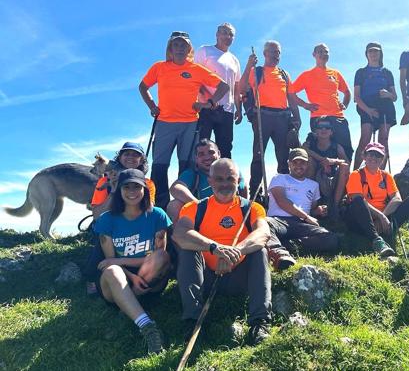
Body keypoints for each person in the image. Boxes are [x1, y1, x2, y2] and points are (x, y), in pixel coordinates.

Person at [172, 158, 273, 345]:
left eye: (230, 178)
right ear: (210, 181)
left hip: (240, 276)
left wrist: (234, 252)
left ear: (238, 180)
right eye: (219, 179)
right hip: (207, 279)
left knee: (260, 252)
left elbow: (263, 233)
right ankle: (192, 321)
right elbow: (180, 233)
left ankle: (260, 323)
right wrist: (214, 248)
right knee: (187, 251)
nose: (225, 184)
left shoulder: (252, 207)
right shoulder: (194, 207)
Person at [138, 31, 229, 209]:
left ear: (189, 49)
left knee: (186, 166)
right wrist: (152, 106)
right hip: (164, 122)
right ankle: (158, 208)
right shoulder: (160, 67)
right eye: (176, 45)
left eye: (183, 45)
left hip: (190, 124)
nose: (179, 48)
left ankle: (185, 205)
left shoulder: (196, 69)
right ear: (170, 48)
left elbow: (223, 86)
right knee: (159, 166)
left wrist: (209, 103)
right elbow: (143, 86)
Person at [94, 169, 172, 354]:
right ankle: (148, 327)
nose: (131, 191)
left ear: (144, 189)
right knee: (113, 271)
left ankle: (127, 309)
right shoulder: (107, 219)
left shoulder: (157, 215)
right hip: (118, 282)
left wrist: (122, 260)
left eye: (136, 186)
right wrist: (130, 275)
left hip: (149, 278)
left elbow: (158, 256)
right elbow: (109, 262)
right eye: (126, 187)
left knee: (162, 257)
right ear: (119, 190)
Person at [84, 142, 157, 295]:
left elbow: (149, 210)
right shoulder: (104, 182)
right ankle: (92, 278)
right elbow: (97, 216)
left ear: (142, 160)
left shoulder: (148, 183)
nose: (131, 157)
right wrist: (114, 188)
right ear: (119, 158)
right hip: (112, 227)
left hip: (138, 226)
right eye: (126, 154)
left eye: (136, 154)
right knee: (103, 237)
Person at [239, 41, 301, 196]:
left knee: (283, 156)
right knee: (258, 154)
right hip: (262, 116)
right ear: (265, 54)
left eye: (278, 52)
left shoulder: (284, 74)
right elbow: (242, 87)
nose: (275, 55)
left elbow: (291, 98)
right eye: (272, 51)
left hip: (282, 118)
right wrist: (249, 65)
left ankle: (284, 193)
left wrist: (297, 118)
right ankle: (255, 193)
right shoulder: (256, 71)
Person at [345, 142, 409, 258]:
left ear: (382, 159)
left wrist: (384, 217)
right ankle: (377, 241)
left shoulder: (386, 176)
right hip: (363, 220)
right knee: (358, 202)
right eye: (371, 154)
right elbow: (356, 198)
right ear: (364, 156)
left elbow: (397, 199)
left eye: (378, 156)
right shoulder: (356, 175)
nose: (374, 158)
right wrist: (380, 217)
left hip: (385, 221)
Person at [265, 148, 339, 270]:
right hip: (278, 220)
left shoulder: (313, 185)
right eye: (295, 162)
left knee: (331, 238)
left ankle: (289, 246)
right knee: (264, 223)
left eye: (302, 162)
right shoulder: (279, 178)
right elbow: (282, 201)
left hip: (301, 223)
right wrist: (306, 216)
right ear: (289, 163)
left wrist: (318, 211)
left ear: (307, 164)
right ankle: (279, 254)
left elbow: (311, 210)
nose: (299, 166)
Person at [291, 43, 353, 161]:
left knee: (345, 151)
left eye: (326, 52)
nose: (324, 54)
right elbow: (290, 93)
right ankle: (319, 178)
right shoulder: (307, 75)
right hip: (318, 117)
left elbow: (347, 92)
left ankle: (345, 177)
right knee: (318, 153)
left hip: (338, 117)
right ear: (314, 55)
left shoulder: (335, 73)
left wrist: (344, 104)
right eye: (320, 52)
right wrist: (305, 105)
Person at [166, 139, 248, 223]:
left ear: (219, 154)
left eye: (211, 152)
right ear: (196, 158)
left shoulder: (231, 169)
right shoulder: (192, 174)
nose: (207, 157)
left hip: (229, 214)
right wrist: (199, 205)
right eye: (201, 154)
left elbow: (242, 186)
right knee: (174, 205)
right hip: (202, 217)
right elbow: (176, 187)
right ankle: (179, 235)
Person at [194, 23, 242, 158]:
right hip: (206, 107)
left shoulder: (234, 60)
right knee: (202, 146)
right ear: (217, 35)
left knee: (225, 147)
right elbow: (195, 76)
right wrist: (208, 99)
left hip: (227, 109)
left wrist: (239, 108)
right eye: (224, 33)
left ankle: (225, 177)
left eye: (231, 34)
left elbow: (236, 86)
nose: (228, 36)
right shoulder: (205, 50)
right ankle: (198, 177)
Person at [352, 42, 397, 169]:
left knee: (383, 140)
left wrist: (388, 94)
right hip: (366, 106)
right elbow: (356, 96)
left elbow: (394, 97)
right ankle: (355, 174)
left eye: (376, 51)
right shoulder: (361, 72)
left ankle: (380, 176)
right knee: (365, 139)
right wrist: (368, 110)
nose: (373, 54)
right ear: (366, 54)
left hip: (385, 106)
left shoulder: (387, 72)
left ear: (380, 53)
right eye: (370, 51)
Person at [302, 117, 350, 213]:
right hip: (315, 177)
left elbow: (347, 163)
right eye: (320, 127)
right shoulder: (310, 144)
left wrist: (332, 161)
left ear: (331, 131)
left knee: (344, 167)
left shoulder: (337, 146)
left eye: (327, 127)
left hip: (331, 179)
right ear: (316, 130)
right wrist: (322, 160)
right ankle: (309, 203)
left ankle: (335, 207)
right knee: (309, 161)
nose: (324, 129)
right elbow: (303, 152)